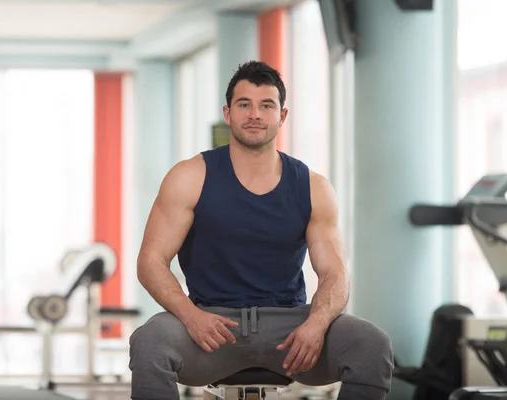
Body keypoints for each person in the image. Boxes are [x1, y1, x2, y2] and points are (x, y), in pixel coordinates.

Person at [129, 60, 394, 400]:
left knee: (372, 345)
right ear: (228, 113)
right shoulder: (189, 176)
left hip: (291, 329)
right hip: (209, 327)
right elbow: (150, 261)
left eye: (266, 105)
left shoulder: (313, 187)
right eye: (244, 105)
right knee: (149, 341)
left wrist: (316, 324)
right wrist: (190, 316)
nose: (255, 114)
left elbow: (335, 274)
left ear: (282, 116)